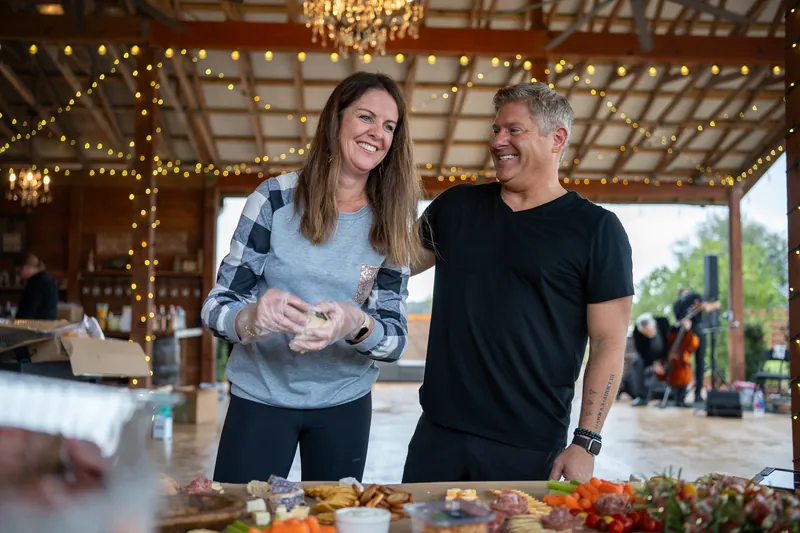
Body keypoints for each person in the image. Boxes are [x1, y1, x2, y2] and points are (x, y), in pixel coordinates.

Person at [402, 82, 634, 483]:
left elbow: (609, 344)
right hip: (437, 436)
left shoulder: (597, 230)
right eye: (495, 130)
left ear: (556, 139)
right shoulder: (457, 207)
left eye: (514, 130)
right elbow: (391, 262)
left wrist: (587, 441)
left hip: (529, 447)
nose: (498, 141)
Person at [202, 72, 422, 483]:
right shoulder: (274, 198)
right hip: (260, 397)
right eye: (365, 117)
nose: (377, 133)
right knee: (245, 520)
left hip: (345, 402)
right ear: (336, 120)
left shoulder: (393, 220)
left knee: (330, 521)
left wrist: (354, 322)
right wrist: (253, 316)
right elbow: (216, 307)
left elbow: (393, 340)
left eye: (389, 126)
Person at [672, 288, 720, 404]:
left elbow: (708, 307)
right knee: (687, 363)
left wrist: (706, 306)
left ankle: (693, 395)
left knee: (698, 363)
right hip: (686, 332)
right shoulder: (685, 300)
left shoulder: (693, 299)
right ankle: (682, 395)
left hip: (695, 332)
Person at [630, 313, 673, 407]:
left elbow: (672, 339)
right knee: (637, 361)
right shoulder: (637, 332)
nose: (648, 334)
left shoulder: (663, 322)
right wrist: (654, 363)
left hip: (666, 354)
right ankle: (641, 397)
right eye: (645, 333)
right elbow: (641, 351)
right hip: (648, 356)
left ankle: (677, 394)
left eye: (649, 331)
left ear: (654, 325)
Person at [14, 253, 58, 321]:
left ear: (25, 268)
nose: (19, 277)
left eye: (19, 272)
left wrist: (16, 324)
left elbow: (28, 311)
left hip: (36, 326)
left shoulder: (35, 283)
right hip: (48, 324)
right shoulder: (47, 278)